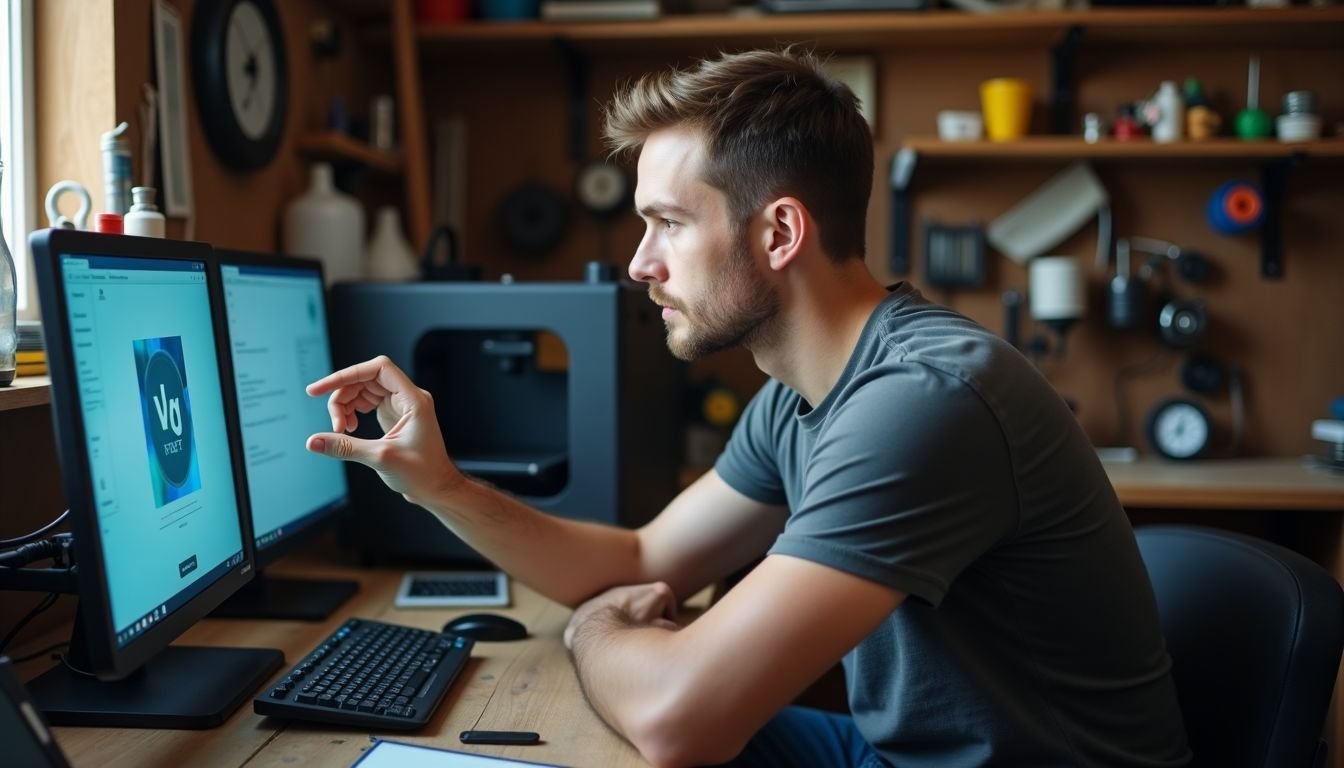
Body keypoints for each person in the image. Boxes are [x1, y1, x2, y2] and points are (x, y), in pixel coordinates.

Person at [306, 48, 1191, 768]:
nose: (639, 264)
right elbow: (645, 556)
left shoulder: (922, 402)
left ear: (778, 233)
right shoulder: (801, 395)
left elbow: (680, 721)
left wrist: (596, 631)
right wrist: (441, 487)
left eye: (669, 224)